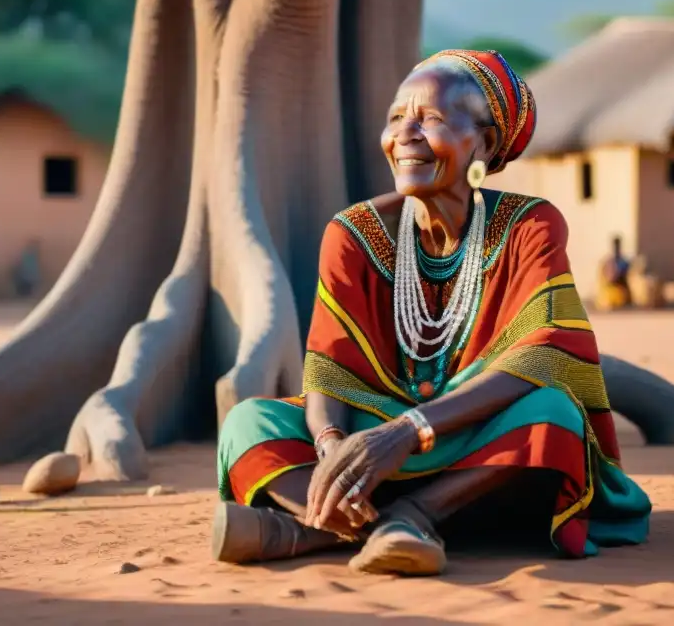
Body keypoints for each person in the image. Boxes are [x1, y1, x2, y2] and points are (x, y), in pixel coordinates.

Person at [213, 49, 651, 576]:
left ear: (484, 143)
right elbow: (328, 369)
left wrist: (406, 433)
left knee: (553, 416)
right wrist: (332, 448)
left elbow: (544, 354)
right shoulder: (352, 233)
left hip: (477, 440)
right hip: (365, 439)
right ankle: (387, 528)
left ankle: (347, 524)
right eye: (397, 116)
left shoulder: (529, 225)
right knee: (247, 422)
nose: (406, 134)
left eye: (433, 119)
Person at [595, 236, 631, 311]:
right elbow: (607, 278)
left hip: (621, 292)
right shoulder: (608, 262)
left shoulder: (624, 262)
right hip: (610, 292)